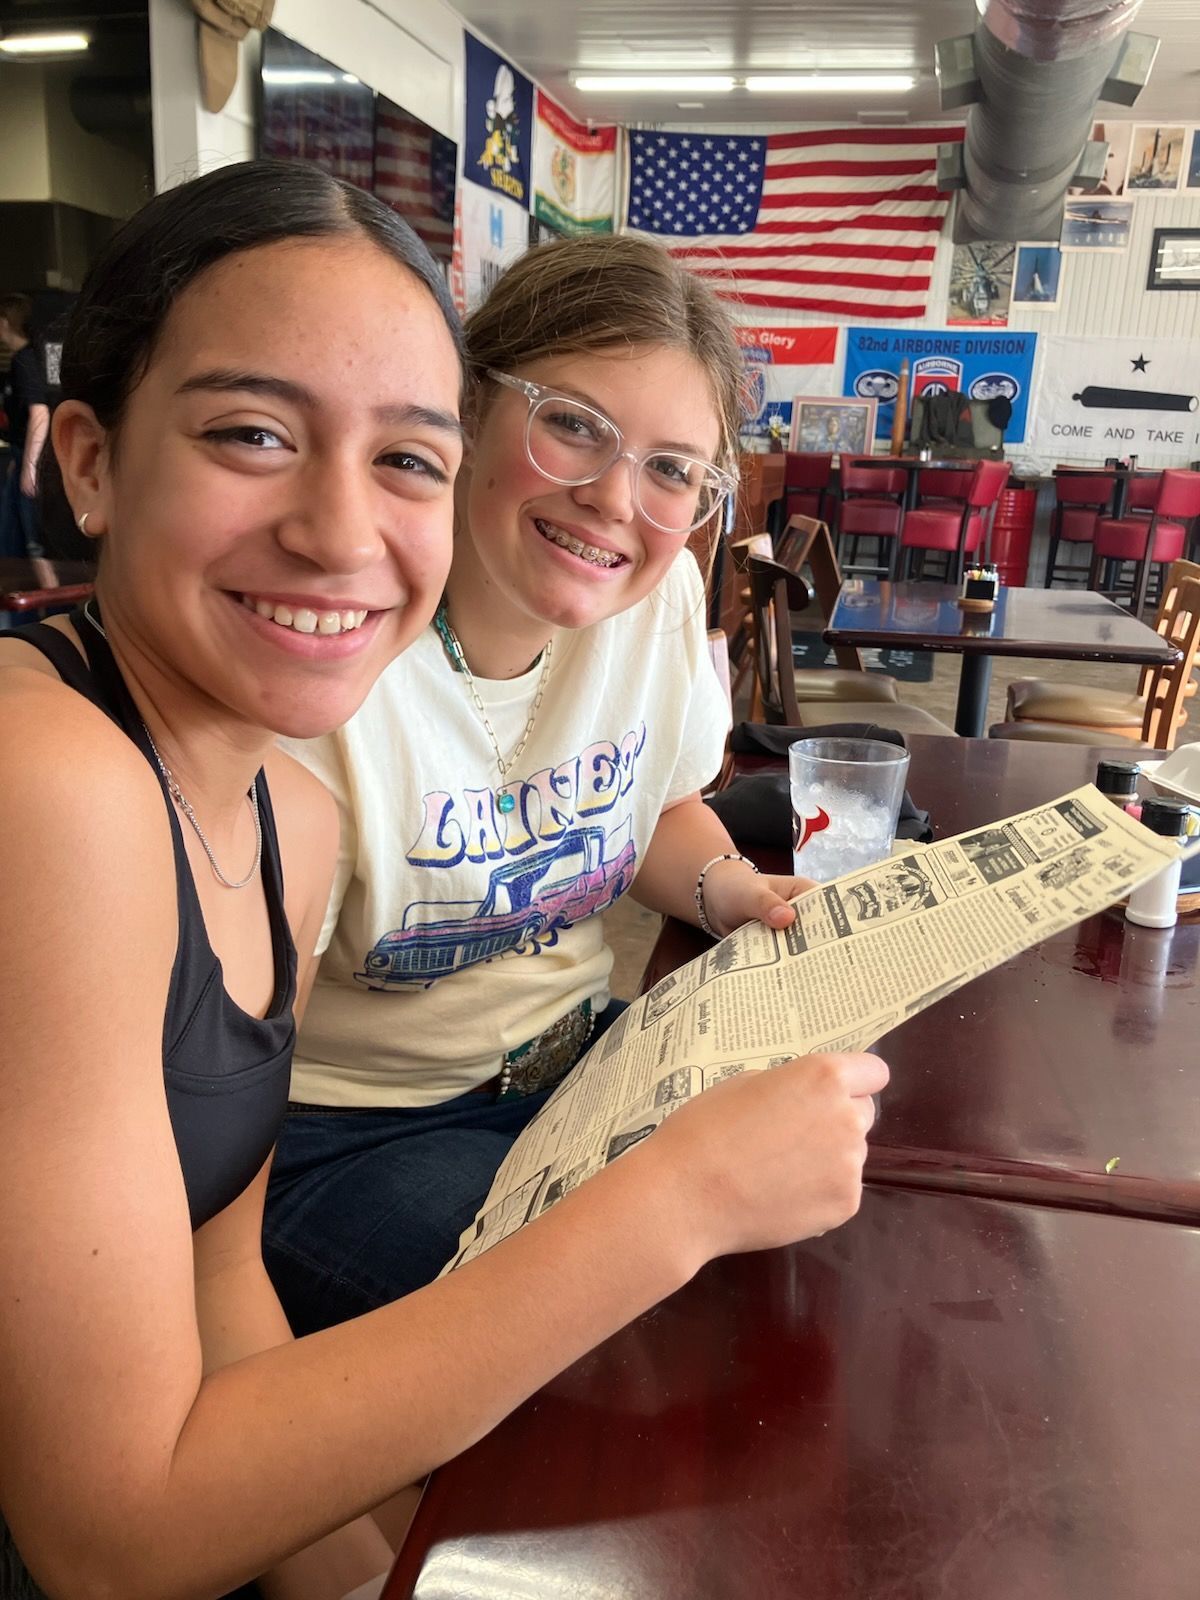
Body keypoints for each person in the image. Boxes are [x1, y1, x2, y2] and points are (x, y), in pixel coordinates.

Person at [0, 159, 888, 1600]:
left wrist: (370, 1581)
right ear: (87, 462)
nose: (344, 534)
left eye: (401, 459)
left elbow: (226, 1298)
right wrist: (679, 1198)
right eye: (250, 433)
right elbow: (107, 1538)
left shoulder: (276, 811)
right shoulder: (51, 780)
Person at [263, 235, 819, 1330]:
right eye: (574, 424)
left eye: (672, 469)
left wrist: (728, 890)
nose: (617, 500)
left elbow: (658, 804)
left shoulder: (649, 604)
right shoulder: (328, 646)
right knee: (628, 1329)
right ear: (465, 407)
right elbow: (209, 1071)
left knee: (803, 1238)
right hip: (356, 1133)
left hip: (585, 1069)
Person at [0, 293, 49, 558]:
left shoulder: (25, 361)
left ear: (6, 322)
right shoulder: (23, 359)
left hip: (32, 459)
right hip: (21, 454)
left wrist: (30, 466)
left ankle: (53, 599)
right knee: (12, 538)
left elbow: (40, 413)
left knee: (32, 544)